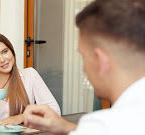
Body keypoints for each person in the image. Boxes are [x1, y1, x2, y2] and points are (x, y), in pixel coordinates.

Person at [23, 0, 145, 134]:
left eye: (83, 56)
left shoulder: (104, 125)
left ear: (101, 61)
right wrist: (66, 127)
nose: (84, 68)